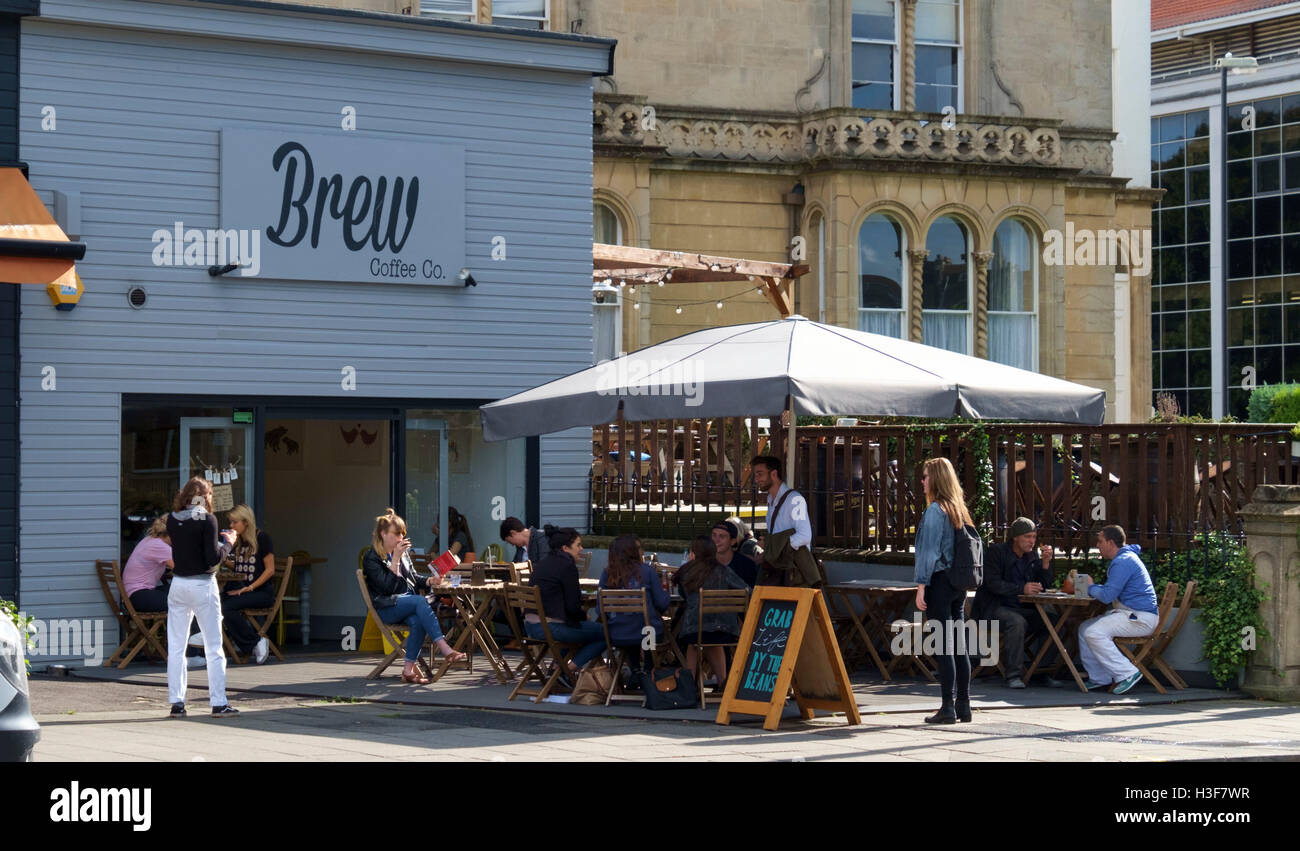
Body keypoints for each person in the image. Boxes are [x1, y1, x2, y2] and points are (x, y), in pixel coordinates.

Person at [363, 508, 467, 684]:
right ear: (383, 533)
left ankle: (407, 670)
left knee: (418, 621)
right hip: (387, 607)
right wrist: (395, 558)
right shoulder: (372, 557)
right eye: (396, 534)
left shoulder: (402, 555)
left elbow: (413, 579)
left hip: (406, 604)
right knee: (419, 601)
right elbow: (388, 588)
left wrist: (430, 582)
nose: (400, 539)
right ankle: (445, 648)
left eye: (402, 534)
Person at [165, 477, 238, 718]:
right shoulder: (208, 519)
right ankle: (219, 702)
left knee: (176, 646)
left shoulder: (173, 520)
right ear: (206, 497)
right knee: (214, 646)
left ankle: (177, 703)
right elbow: (212, 558)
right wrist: (228, 543)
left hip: (178, 584)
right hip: (203, 585)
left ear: (185, 495)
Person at [913, 457, 973, 724]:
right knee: (958, 645)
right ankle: (964, 705)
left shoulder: (935, 511)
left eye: (926, 476)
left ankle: (947, 707)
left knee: (943, 646)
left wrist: (920, 586)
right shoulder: (958, 508)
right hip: (958, 584)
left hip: (938, 581)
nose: (923, 482)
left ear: (935, 479)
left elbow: (928, 552)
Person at [972, 516, 1058, 689]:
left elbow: (1044, 585)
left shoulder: (1031, 556)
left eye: (1034, 537)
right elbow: (992, 583)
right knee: (1016, 622)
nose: (1031, 541)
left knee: (1052, 620)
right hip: (993, 608)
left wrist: (1046, 564)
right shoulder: (997, 552)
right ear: (1015, 537)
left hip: (1021, 607)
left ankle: (1042, 671)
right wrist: (1021, 589)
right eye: (1027, 537)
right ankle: (1013, 674)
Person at [1078, 525, 1159, 694]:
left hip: (1140, 619)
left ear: (1111, 542)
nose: (1097, 545)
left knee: (1093, 632)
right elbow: (1111, 590)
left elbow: (1107, 596)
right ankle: (1100, 678)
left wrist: (1090, 586)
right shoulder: (1125, 558)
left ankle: (1127, 673)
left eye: (1100, 541)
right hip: (1133, 615)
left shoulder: (1123, 562)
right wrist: (1094, 587)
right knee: (1084, 628)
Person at [527, 527, 606, 684]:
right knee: (608, 633)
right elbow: (572, 607)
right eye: (578, 545)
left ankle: (556, 668)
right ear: (565, 548)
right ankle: (565, 670)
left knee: (582, 629)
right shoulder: (567, 566)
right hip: (551, 627)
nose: (581, 549)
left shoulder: (543, 563)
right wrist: (584, 615)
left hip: (531, 626)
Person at [675, 535, 748, 690]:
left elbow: (683, 595)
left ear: (693, 553)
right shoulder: (723, 571)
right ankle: (723, 681)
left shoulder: (686, 572)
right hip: (725, 629)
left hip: (694, 630)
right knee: (713, 640)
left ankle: (689, 685)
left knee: (694, 643)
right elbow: (746, 591)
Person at [597, 534, 668, 673]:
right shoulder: (647, 571)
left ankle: (635, 670)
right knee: (648, 627)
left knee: (630, 626)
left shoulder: (607, 573)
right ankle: (648, 671)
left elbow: (600, 611)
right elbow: (662, 603)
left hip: (616, 634)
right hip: (648, 635)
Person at [750, 455, 821, 587]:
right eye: (755, 475)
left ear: (774, 474)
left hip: (794, 571)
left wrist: (773, 546)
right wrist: (769, 550)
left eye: (760, 474)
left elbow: (804, 537)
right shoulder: (770, 500)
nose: (756, 479)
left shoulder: (795, 499)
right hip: (778, 569)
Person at [219, 504, 273, 665]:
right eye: (230, 522)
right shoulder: (239, 541)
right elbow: (240, 567)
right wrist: (222, 558)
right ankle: (200, 649)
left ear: (246, 522)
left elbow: (269, 570)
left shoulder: (262, 538)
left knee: (225, 608)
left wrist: (249, 588)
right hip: (242, 589)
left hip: (261, 592)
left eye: (235, 522)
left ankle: (255, 642)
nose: (231, 526)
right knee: (213, 603)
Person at [123, 517, 174, 613]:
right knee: (187, 601)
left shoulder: (149, 540)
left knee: (181, 592)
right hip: (139, 596)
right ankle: (190, 628)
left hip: (132, 595)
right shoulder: (161, 547)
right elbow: (183, 571)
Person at [712, 519, 758, 587]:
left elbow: (752, 592)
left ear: (733, 541)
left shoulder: (746, 565)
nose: (716, 540)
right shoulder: (703, 563)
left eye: (722, 536)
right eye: (714, 535)